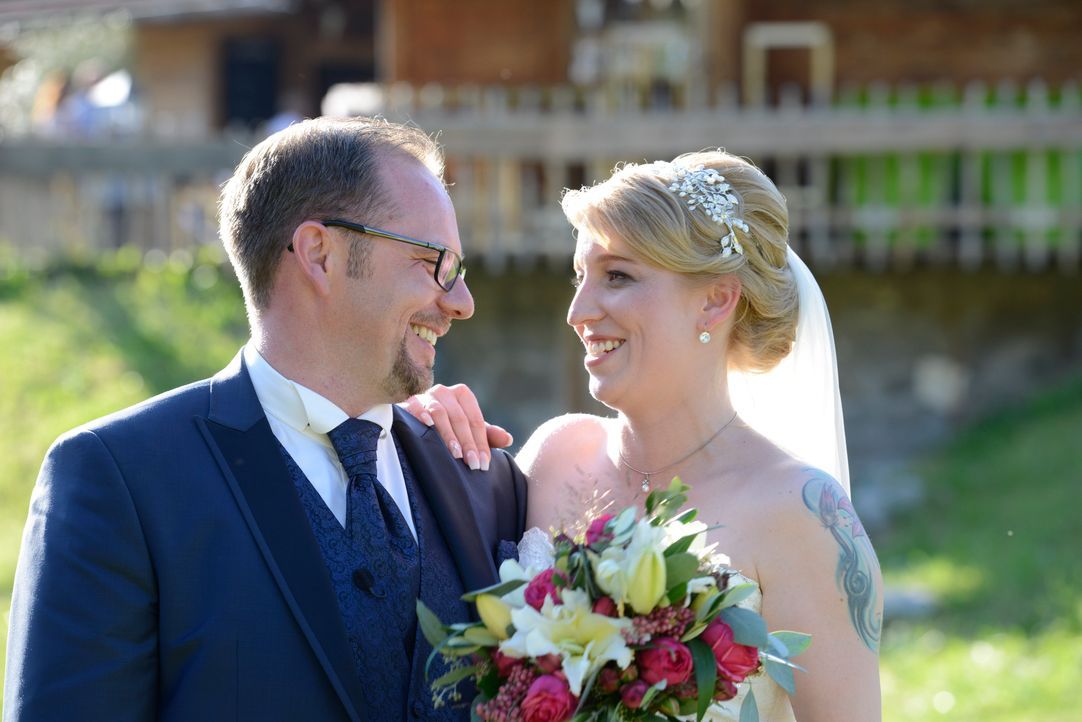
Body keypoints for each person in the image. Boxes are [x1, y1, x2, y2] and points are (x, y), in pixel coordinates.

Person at [5, 117, 528, 722]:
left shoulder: (484, 479)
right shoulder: (118, 481)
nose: (461, 301)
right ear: (319, 253)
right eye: (435, 262)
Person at [403, 151, 883, 721]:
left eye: (618, 276)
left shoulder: (802, 512)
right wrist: (415, 427)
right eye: (581, 278)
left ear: (715, 300)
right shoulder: (556, 455)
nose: (578, 312)